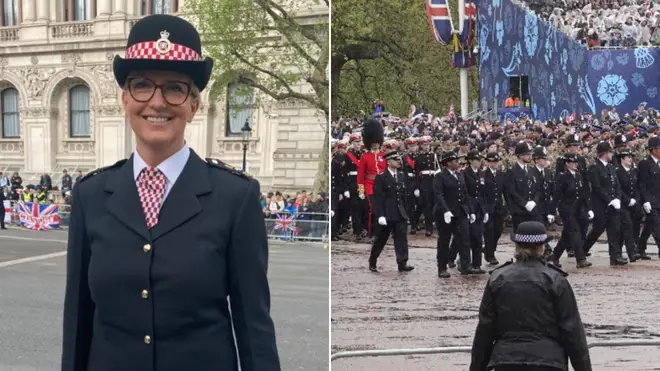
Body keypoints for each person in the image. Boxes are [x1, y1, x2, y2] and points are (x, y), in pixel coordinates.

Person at [61, 15, 280, 371]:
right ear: (125, 100)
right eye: (142, 85)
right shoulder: (92, 195)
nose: (157, 102)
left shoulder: (235, 198)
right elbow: (78, 321)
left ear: (194, 105)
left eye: (175, 88)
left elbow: (253, 326)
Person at [470, 221, 592, 371]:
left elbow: (485, 331)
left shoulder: (497, 279)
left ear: (517, 246)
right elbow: (573, 332)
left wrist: (476, 367)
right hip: (549, 361)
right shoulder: (556, 280)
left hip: (506, 361)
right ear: (541, 247)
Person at [368, 151, 414, 273]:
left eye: (399, 159)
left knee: (401, 238)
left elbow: (404, 196)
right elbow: (377, 198)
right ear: (388, 161)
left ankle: (402, 262)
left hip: (400, 212)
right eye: (395, 159)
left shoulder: (402, 176)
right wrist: (380, 215)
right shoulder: (381, 177)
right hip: (387, 213)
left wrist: (406, 211)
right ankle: (373, 260)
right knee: (381, 239)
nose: (399, 161)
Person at [433, 151, 476, 277]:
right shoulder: (440, 176)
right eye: (455, 161)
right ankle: (442, 267)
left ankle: (465, 265)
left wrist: (471, 211)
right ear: (448, 163)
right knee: (444, 240)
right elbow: (438, 195)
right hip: (445, 213)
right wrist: (446, 210)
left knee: (464, 239)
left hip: (460, 211)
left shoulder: (460, 175)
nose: (458, 163)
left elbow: (465, 194)